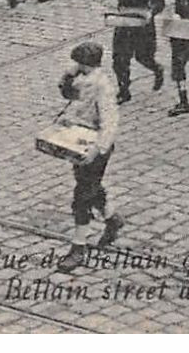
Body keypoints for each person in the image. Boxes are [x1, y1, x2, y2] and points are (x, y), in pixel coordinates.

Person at [55, 42, 122, 273]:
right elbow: (71, 98)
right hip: (79, 141)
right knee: (90, 187)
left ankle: (78, 247)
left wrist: (98, 148)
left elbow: (110, 122)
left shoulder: (103, 86)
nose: (77, 67)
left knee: (82, 196)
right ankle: (112, 219)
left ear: (88, 64)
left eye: (80, 64)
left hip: (95, 147)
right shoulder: (83, 79)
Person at [109, 0, 165, 103]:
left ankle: (158, 69)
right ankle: (124, 91)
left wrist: (149, 13)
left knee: (143, 57)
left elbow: (159, 0)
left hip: (141, 24)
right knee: (119, 58)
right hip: (125, 21)